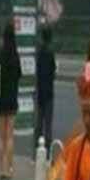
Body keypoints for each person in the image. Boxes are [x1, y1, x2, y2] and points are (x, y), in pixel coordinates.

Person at [0, 23, 22, 180]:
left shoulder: (0, 53)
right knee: (10, 136)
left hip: (1, 98)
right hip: (12, 98)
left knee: (1, 136)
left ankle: (1, 170)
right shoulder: (15, 55)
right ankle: (10, 169)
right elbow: (19, 75)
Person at [34, 26, 57, 159]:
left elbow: (37, 71)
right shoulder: (50, 53)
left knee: (38, 124)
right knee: (48, 125)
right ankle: (47, 154)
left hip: (40, 92)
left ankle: (36, 152)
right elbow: (53, 72)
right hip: (49, 92)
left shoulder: (39, 53)